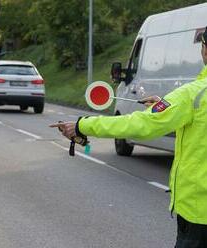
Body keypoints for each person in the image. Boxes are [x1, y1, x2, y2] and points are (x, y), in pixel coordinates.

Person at [51, 27, 207, 248]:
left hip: (199, 212)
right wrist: (165, 105)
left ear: (205, 50)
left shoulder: (193, 94)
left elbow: (139, 124)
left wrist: (82, 125)